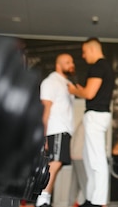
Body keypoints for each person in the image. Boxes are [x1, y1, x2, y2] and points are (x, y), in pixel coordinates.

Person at [68, 38, 116, 207]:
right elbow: (90, 92)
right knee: (89, 160)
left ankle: (98, 201)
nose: (83, 55)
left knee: (97, 160)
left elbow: (89, 93)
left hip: (96, 116)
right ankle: (90, 199)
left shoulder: (98, 67)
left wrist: (73, 90)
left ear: (92, 49)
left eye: (84, 51)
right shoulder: (104, 67)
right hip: (96, 115)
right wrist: (78, 89)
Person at [37, 53, 76, 207]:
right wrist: (43, 134)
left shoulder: (67, 83)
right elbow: (45, 108)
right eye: (68, 62)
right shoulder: (51, 82)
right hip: (55, 129)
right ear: (58, 64)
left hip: (64, 130)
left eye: (72, 61)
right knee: (55, 163)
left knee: (56, 165)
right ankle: (42, 199)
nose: (71, 64)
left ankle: (45, 197)